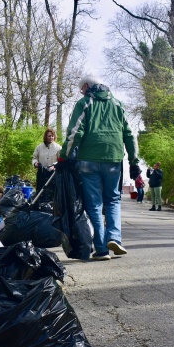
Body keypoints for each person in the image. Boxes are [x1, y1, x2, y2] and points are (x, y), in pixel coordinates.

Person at [59, 74, 139, 261]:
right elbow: (129, 134)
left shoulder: (85, 103)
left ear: (87, 86)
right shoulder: (118, 104)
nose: (82, 92)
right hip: (113, 157)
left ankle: (101, 249)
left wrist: (64, 156)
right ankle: (114, 237)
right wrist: (134, 161)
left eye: (82, 89)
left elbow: (74, 132)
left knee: (94, 203)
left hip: (88, 159)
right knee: (112, 200)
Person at [31, 128, 62, 193]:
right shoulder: (39, 147)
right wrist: (35, 163)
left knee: (52, 193)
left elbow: (61, 161)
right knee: (40, 192)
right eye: (49, 136)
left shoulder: (58, 148)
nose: (51, 137)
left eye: (52, 136)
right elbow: (34, 157)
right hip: (41, 173)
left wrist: (55, 166)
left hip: (53, 174)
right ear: (46, 136)